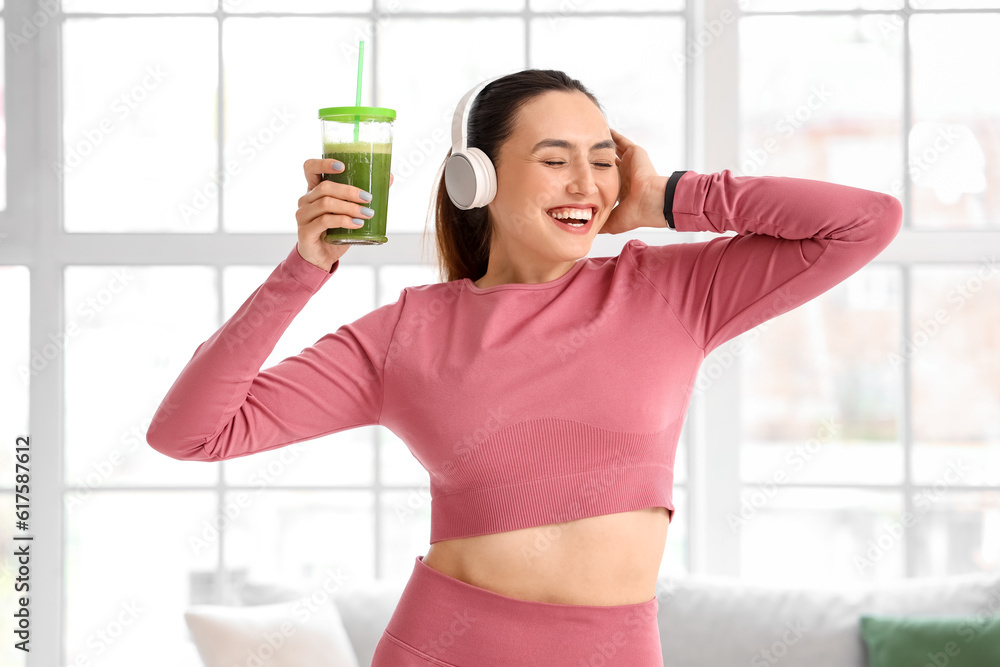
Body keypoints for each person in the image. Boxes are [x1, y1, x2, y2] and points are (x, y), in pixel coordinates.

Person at [146, 69, 903, 666]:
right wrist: (305, 267)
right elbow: (191, 432)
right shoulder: (408, 332)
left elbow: (865, 221)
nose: (586, 184)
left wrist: (670, 196)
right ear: (476, 178)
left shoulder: (669, 291)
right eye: (555, 160)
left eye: (602, 160)